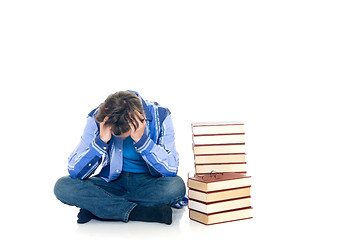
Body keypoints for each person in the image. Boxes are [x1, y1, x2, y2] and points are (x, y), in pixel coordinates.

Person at [54, 90, 187, 225]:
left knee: (175, 186)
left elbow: (171, 169)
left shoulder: (161, 115)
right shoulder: (98, 117)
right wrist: (101, 141)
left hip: (148, 184)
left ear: (140, 119)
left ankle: (99, 207)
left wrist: (142, 141)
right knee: (63, 186)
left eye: (125, 134)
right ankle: (138, 212)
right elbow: (74, 169)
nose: (122, 138)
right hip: (112, 182)